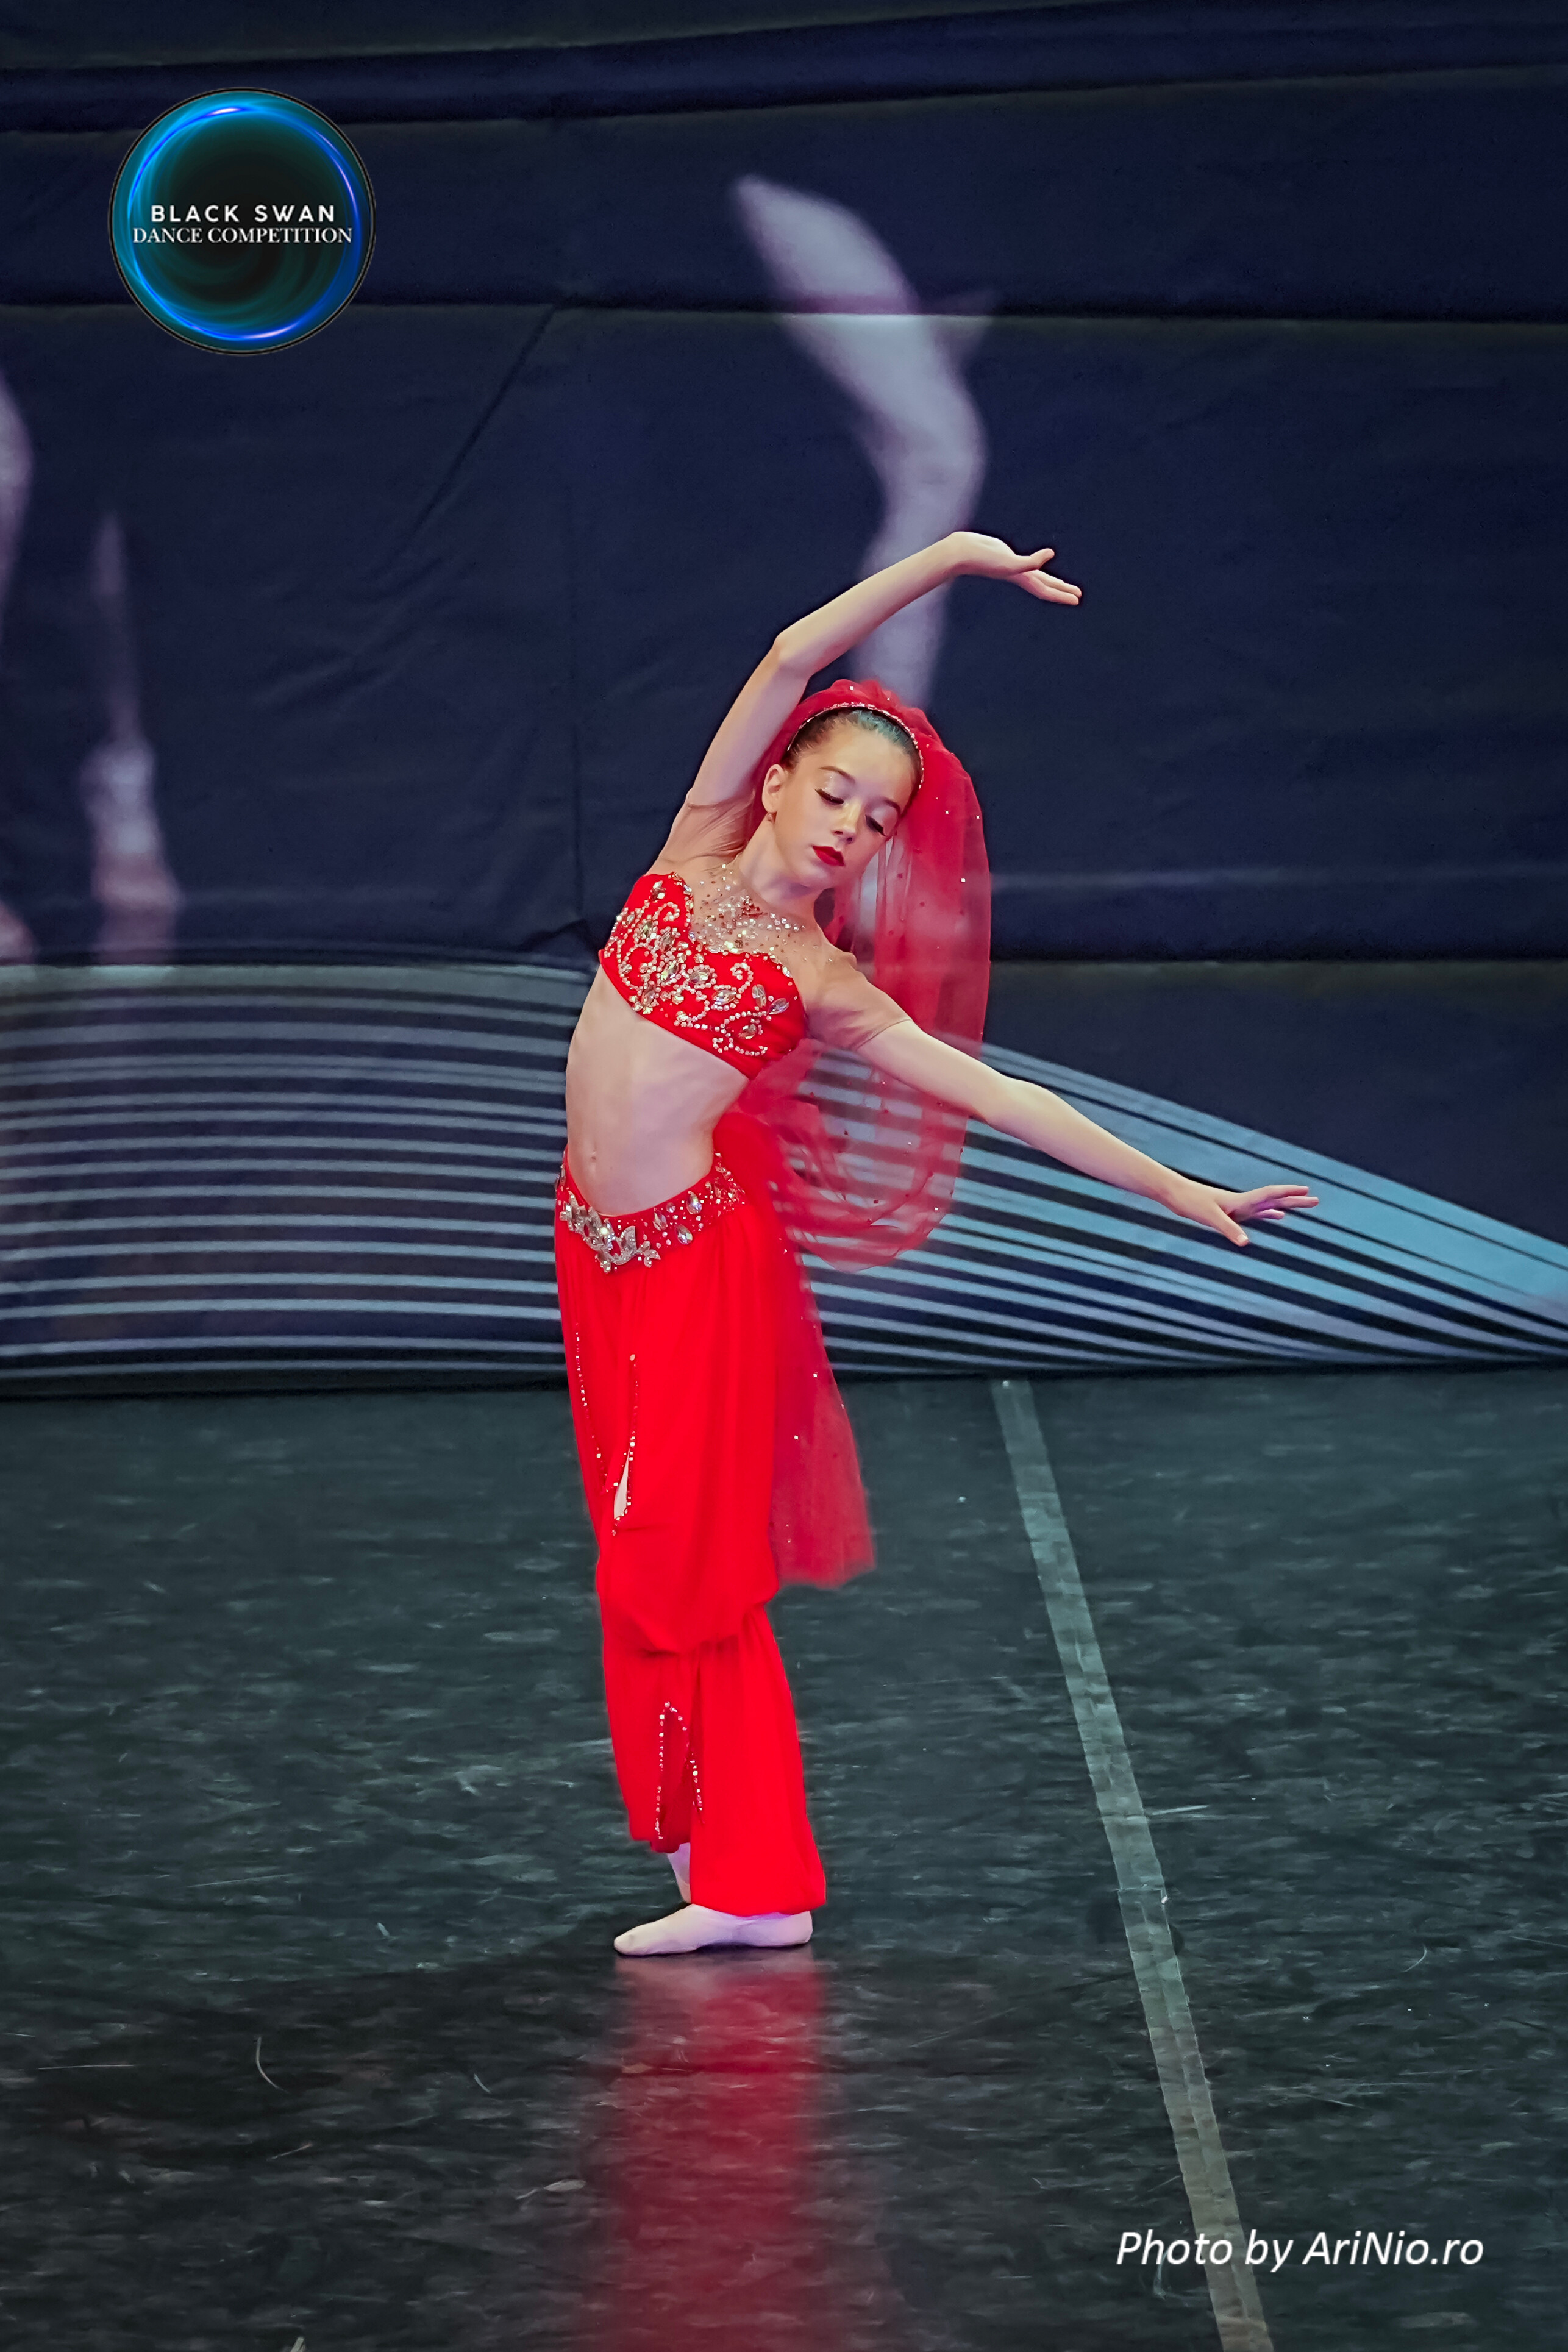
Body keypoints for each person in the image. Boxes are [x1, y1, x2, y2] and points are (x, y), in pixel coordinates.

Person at [555, 530, 1317, 1958]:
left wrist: (1180, 1191)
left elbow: (1006, 1098)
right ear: (774, 778)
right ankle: (724, 1859)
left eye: (878, 819)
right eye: (833, 790)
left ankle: (755, 1881)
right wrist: (952, 558)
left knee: (674, 1564)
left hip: (692, 1273)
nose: (849, 825)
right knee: (640, 1552)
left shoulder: (819, 979)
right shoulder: (691, 845)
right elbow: (791, 651)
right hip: (592, 1250)